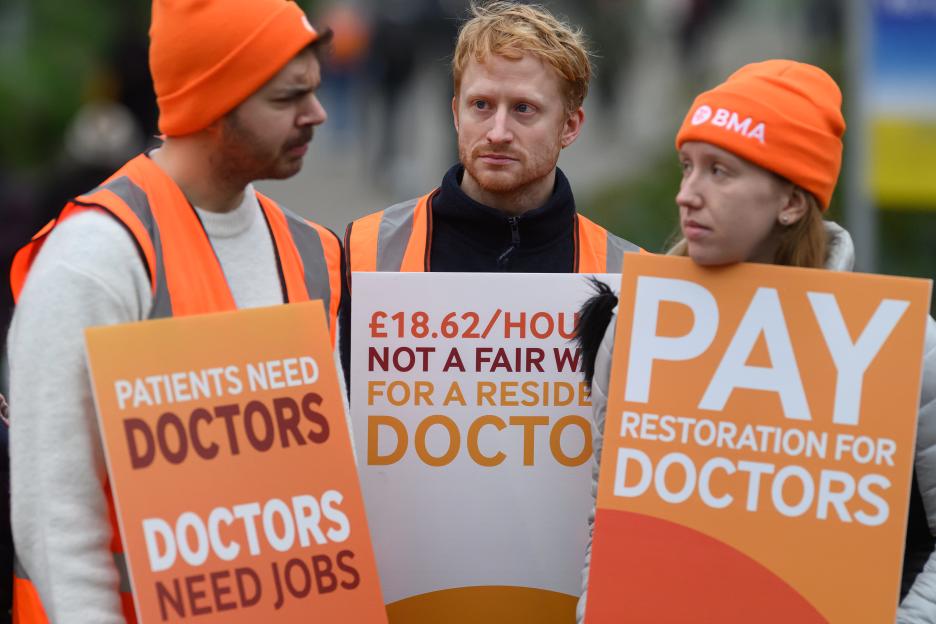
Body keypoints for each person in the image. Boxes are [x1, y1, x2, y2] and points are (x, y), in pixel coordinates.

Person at [5, 1, 344, 621]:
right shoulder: (96, 260)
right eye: (286, 99)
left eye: (313, 91)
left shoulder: (314, 253)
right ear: (215, 103)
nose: (316, 114)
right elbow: (57, 520)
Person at [574, 59, 936, 623]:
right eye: (686, 167)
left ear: (791, 202)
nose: (687, 195)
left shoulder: (906, 346)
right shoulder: (635, 323)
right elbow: (608, 523)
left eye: (719, 171)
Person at [341, 0, 640, 372]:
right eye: (481, 105)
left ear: (570, 126)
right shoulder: (366, 252)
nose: (498, 133)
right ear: (455, 114)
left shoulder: (630, 277)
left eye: (523, 109)